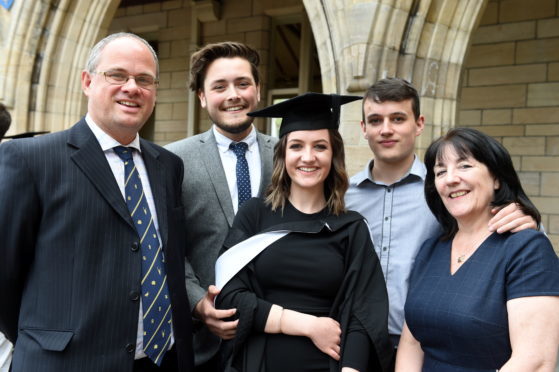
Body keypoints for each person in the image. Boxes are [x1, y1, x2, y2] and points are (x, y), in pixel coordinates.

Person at [0, 32, 194, 372]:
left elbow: (169, 260)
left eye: (144, 79)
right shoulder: (30, 159)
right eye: (117, 75)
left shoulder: (168, 166)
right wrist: (45, 338)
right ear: (88, 81)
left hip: (160, 361)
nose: (132, 87)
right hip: (67, 363)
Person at [344, 78, 538, 356]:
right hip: (356, 343)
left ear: (419, 123)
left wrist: (529, 222)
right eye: (375, 120)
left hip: (423, 344)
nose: (386, 130)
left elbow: (505, 232)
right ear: (363, 128)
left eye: (398, 118)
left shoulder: (447, 193)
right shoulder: (344, 197)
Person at [215, 93, 393, 372]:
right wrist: (308, 326)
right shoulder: (255, 215)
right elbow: (229, 294)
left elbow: (364, 311)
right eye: (296, 146)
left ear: (333, 155)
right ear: (283, 154)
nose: (308, 157)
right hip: (258, 363)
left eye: (320, 147)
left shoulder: (351, 227)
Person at [396, 127, 559, 371]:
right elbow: (412, 343)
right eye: (441, 172)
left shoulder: (527, 249)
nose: (450, 178)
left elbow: (535, 361)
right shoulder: (430, 250)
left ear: (496, 178)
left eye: (464, 166)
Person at [166, 41, 277, 371]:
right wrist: (198, 303)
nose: (233, 95)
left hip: (277, 337)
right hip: (202, 344)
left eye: (243, 83)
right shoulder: (174, 160)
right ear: (202, 97)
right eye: (219, 86)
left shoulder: (289, 156)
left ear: (257, 90)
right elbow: (167, 244)